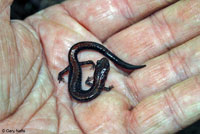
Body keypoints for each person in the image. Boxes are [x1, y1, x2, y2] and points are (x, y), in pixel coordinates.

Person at [0, 0, 200, 133]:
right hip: (78, 74)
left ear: (99, 74)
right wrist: (68, 75)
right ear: (99, 75)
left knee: (77, 65)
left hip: (77, 75)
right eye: (100, 66)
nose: (100, 66)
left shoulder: (94, 82)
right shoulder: (97, 83)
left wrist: (67, 75)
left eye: (100, 67)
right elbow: (100, 86)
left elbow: (98, 84)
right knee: (77, 65)